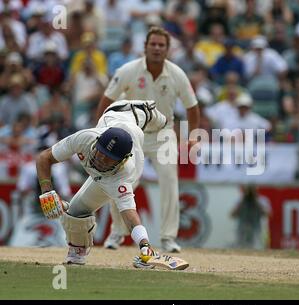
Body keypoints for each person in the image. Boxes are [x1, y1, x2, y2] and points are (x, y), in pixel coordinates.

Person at [35, 99, 186, 269]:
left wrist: (145, 246)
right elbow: (43, 158)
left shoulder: (123, 174)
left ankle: (154, 115)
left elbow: (129, 215)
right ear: (98, 141)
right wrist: (46, 192)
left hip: (138, 127)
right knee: (75, 212)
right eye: (100, 153)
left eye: (108, 159)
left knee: (76, 211)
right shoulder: (85, 138)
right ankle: (77, 252)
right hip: (116, 112)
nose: (100, 160)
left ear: (121, 162)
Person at [95, 27, 200, 253]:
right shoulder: (128, 70)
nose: (157, 48)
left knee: (170, 181)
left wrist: (193, 136)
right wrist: (99, 132)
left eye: (161, 45)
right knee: (122, 182)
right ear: (145, 46)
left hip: (164, 134)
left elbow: (192, 107)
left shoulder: (177, 74)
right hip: (132, 134)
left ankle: (168, 238)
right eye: (153, 44)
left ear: (167, 49)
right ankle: (118, 232)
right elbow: (106, 100)